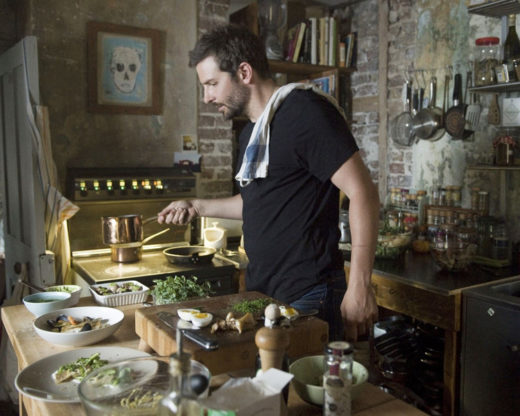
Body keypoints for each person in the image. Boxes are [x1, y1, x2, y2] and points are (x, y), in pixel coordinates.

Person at [158, 24, 379, 341]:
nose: (207, 97)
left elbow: (363, 192)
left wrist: (360, 285)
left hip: (310, 295)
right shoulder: (253, 133)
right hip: (266, 295)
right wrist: (196, 206)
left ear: (244, 72)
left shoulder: (305, 112)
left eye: (212, 84)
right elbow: (257, 201)